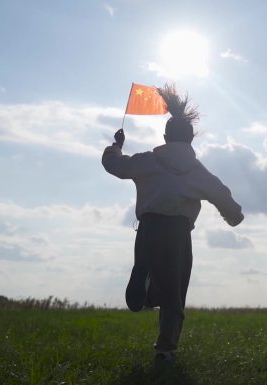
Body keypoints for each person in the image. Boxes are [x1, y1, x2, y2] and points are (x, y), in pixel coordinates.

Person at [102, 85, 244, 366]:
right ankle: (165, 350)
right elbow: (224, 198)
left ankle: (143, 279)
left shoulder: (148, 161)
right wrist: (234, 217)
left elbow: (114, 165)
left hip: (148, 229)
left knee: (151, 270)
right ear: (191, 140)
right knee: (174, 292)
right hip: (179, 233)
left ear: (165, 137)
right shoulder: (198, 172)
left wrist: (116, 145)